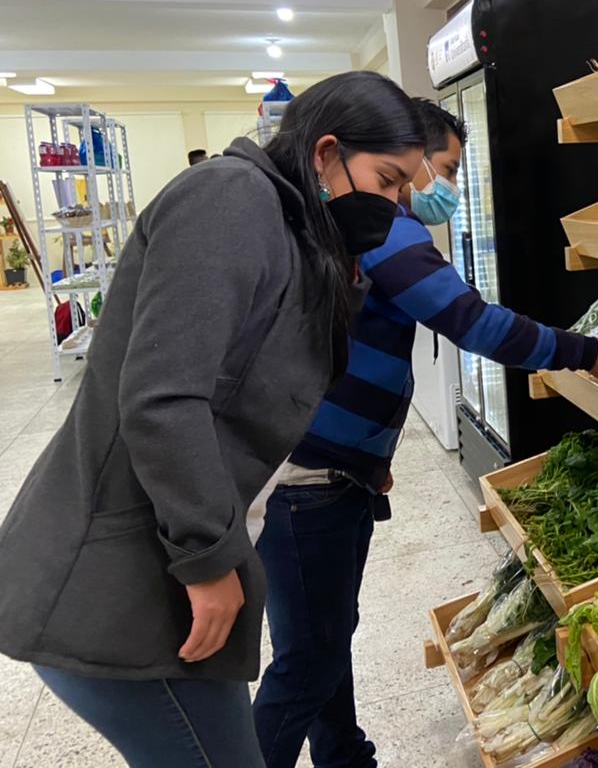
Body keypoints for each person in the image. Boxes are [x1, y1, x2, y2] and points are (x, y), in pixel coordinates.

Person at [0, 71, 431, 768]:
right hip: (116, 578)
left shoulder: (295, 227)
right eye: (386, 180)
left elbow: (255, 385)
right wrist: (207, 562)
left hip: (167, 561)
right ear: (325, 154)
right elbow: (163, 397)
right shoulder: (230, 199)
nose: (396, 203)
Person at [252, 99, 598, 768]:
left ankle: (345, 758)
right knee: (305, 663)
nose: (440, 189)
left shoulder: (356, 216)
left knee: (323, 643)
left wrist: (368, 455)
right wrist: (587, 352)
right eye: (438, 169)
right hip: (308, 482)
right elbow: (475, 323)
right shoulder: (385, 225)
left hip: (329, 469)